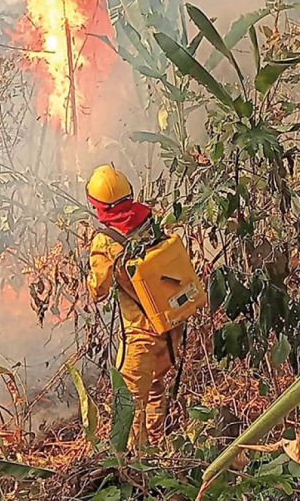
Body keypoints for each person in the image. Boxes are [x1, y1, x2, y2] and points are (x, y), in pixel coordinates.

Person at [86, 164, 182, 449]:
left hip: (140, 332)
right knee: (154, 386)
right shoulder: (148, 220)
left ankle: (136, 463)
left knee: (127, 399)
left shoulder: (106, 240)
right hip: (170, 324)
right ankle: (158, 445)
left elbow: (98, 291)